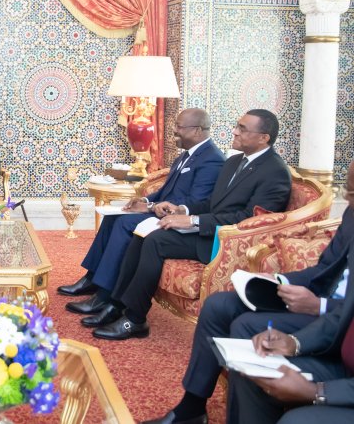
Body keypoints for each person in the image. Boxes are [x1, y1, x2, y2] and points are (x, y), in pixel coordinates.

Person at [143, 159, 354, 424]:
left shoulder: (274, 170)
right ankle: (192, 407)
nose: (348, 200)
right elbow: (324, 269)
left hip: (332, 315)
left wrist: (319, 307)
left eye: (352, 192)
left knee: (246, 329)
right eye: (347, 190)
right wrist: (279, 279)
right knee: (219, 305)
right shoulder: (352, 214)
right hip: (321, 304)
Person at [93, 109, 292, 341]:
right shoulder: (234, 161)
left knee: (156, 241)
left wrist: (194, 220)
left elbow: (249, 219)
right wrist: (182, 210)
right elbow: (213, 203)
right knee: (145, 232)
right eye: (237, 126)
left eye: (242, 128)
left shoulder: (275, 172)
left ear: (263, 138)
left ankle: (135, 319)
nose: (235, 132)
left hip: (227, 243)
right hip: (209, 230)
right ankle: (117, 304)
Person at [59, 109, 225, 321]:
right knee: (112, 218)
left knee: (124, 224)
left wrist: (151, 207)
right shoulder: (186, 155)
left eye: (179, 127)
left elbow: (194, 202)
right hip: (161, 210)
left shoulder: (212, 160)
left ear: (197, 130)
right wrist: (145, 201)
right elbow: (166, 191)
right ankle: (92, 278)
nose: (174, 130)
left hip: (175, 218)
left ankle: (105, 295)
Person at [226, 251, 354, 424]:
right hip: (345, 366)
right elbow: (343, 314)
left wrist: (318, 391)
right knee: (255, 373)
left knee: (296, 421)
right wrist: (295, 341)